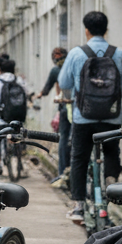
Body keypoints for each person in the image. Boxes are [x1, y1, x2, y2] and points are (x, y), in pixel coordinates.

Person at [58, 11, 122, 223]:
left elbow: (64, 84)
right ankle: (110, 181)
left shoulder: (76, 53)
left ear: (86, 30)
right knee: (111, 152)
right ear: (106, 30)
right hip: (112, 117)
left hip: (84, 118)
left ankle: (79, 206)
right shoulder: (118, 54)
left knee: (79, 158)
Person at [0, 57, 30, 177]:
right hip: (17, 118)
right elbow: (27, 94)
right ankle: (21, 165)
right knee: (19, 139)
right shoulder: (19, 80)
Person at [40, 47, 70, 181]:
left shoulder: (56, 70)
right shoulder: (73, 67)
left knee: (63, 139)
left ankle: (63, 173)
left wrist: (39, 95)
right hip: (80, 109)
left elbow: (46, 89)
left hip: (65, 108)